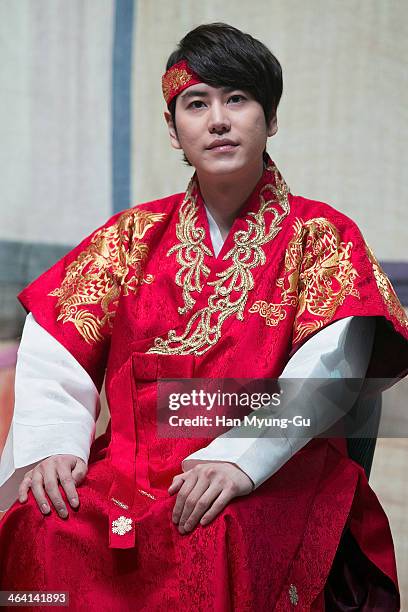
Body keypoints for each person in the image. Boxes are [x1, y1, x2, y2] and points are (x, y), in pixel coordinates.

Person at [1, 22, 407, 611]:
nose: (218, 120)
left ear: (270, 119)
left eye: (237, 99)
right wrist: (52, 445)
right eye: (197, 104)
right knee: (46, 522)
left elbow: (330, 365)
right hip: (129, 475)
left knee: (214, 531)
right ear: (174, 130)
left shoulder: (321, 237)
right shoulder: (130, 237)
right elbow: (56, 341)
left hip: (268, 471)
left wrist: (240, 460)